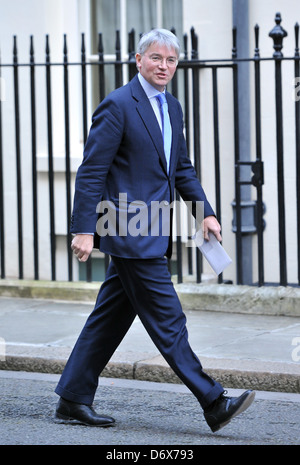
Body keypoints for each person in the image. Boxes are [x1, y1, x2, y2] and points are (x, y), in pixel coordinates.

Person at [54, 29, 255, 433]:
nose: (164, 67)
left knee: (108, 318)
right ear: (139, 60)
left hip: (152, 230)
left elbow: (180, 167)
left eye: (171, 61)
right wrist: (84, 229)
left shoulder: (172, 107)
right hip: (128, 230)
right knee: (169, 320)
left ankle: (73, 398)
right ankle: (213, 401)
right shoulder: (117, 105)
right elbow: (91, 171)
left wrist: (204, 213)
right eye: (156, 58)